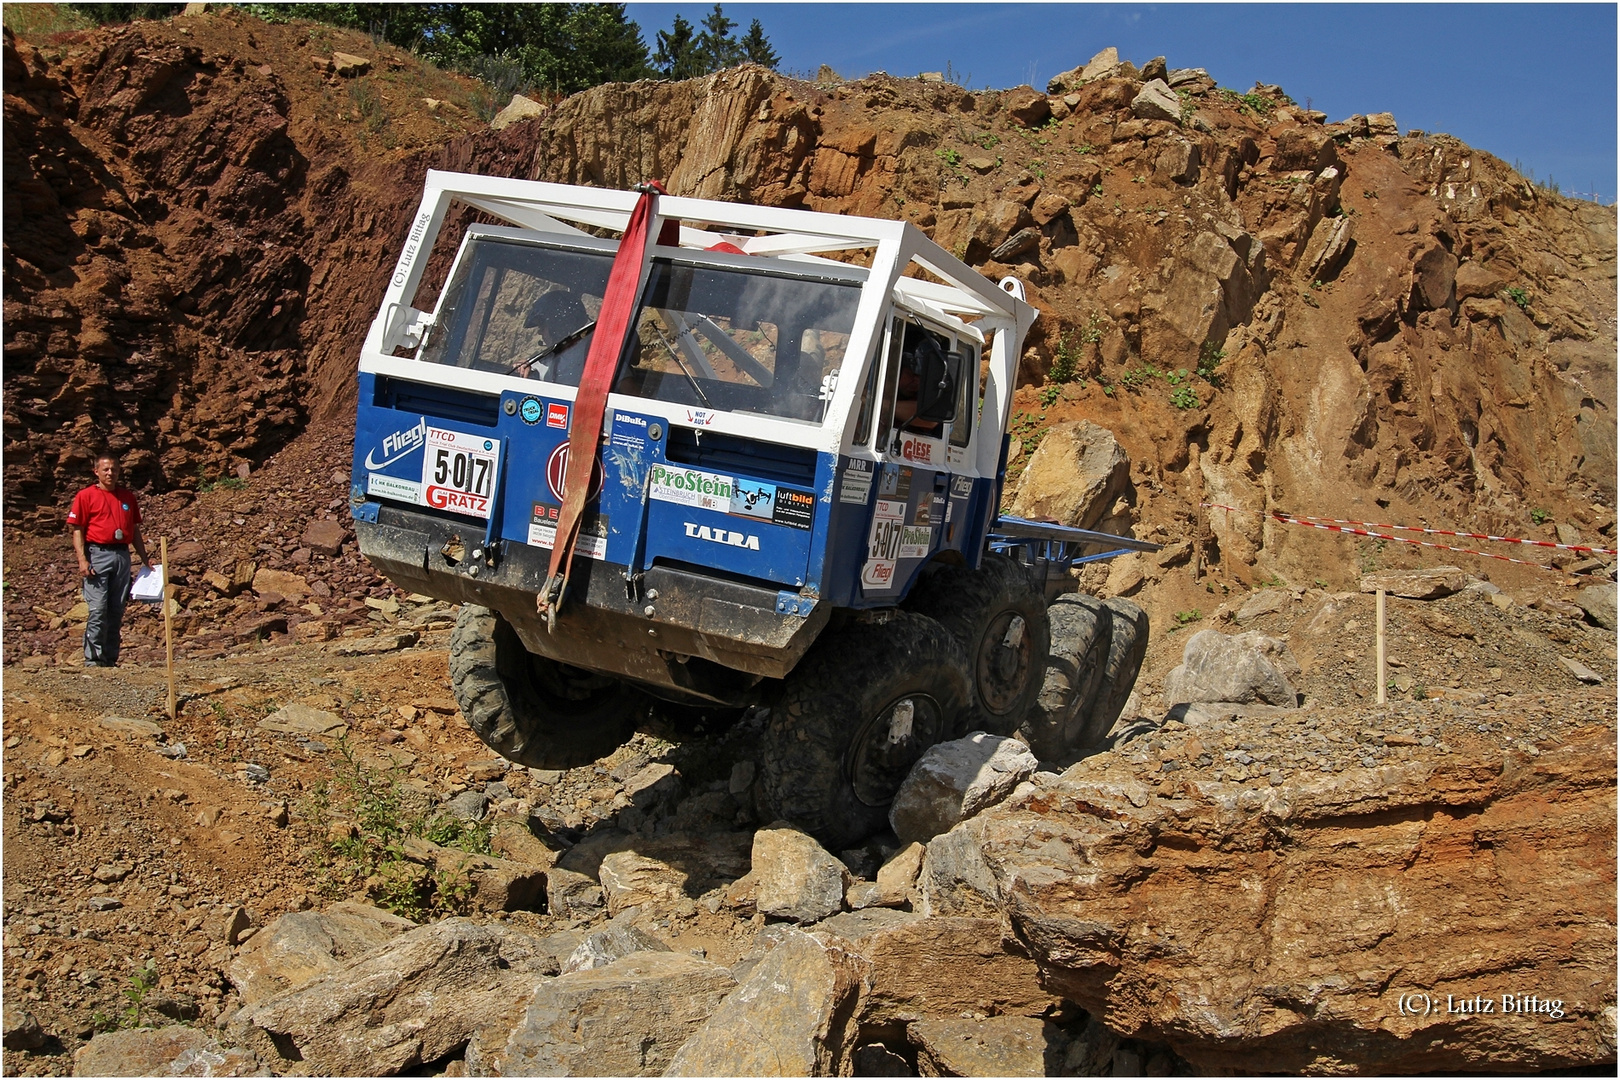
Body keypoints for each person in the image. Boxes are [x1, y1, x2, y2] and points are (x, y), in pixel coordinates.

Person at [66, 452, 149, 667]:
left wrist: (144, 559)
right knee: (98, 609)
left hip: (122, 554)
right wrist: (82, 560)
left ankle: (110, 659)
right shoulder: (85, 496)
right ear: (96, 472)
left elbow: (135, 529)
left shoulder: (127, 497)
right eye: (105, 469)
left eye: (114, 469)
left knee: (116, 608)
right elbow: (77, 530)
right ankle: (93, 659)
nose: (110, 472)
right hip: (97, 554)